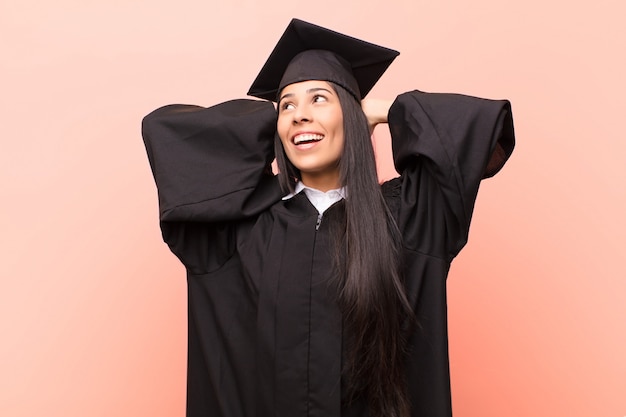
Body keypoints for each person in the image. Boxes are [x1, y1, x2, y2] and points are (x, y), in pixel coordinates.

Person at [142, 18, 515, 417]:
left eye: (319, 98)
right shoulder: (241, 230)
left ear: (352, 116)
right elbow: (164, 131)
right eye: (287, 105)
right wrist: (278, 122)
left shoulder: (408, 219)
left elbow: (481, 131)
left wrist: (380, 111)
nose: (300, 115)